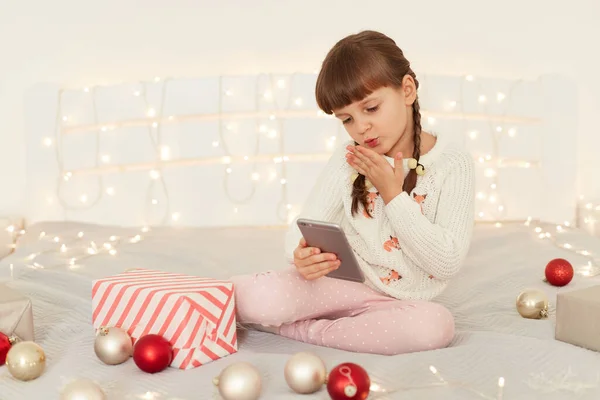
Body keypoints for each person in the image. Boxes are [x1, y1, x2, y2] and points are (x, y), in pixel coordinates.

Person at [231, 30, 475, 356]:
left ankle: (301, 329)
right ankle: (183, 299)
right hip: (341, 286)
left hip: (405, 305)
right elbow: (302, 227)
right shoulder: (349, 158)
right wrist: (300, 254)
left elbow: (446, 262)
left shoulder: (452, 164)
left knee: (435, 328)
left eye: (371, 108)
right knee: (252, 296)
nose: (361, 127)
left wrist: (393, 196)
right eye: (347, 119)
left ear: (407, 90)